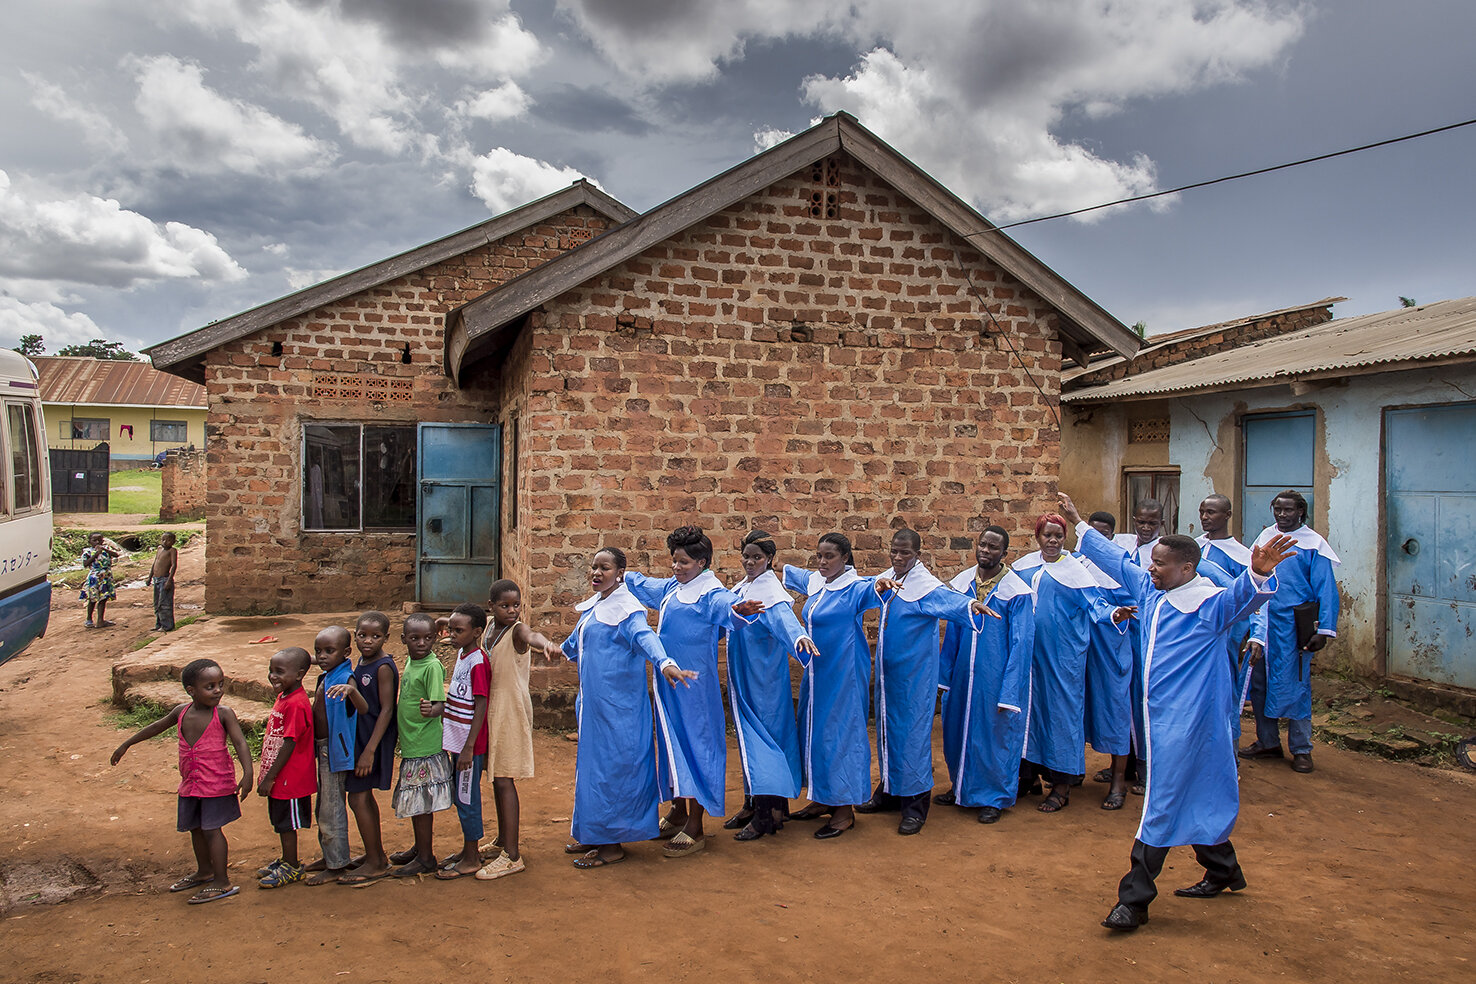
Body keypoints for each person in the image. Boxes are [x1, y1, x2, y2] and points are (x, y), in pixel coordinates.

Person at [1059, 491, 1295, 933]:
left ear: (1188, 568)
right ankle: (1224, 869)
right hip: (1159, 718)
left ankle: (1135, 899)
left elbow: (1242, 600)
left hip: (1189, 724)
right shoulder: (1152, 590)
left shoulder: (1209, 605)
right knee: (1199, 794)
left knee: (1161, 803)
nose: (1152, 567)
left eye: (1161, 563)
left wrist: (1258, 574)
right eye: (1153, 563)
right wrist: (1080, 524)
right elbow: (1117, 561)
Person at [549, 547, 696, 868]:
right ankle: (595, 832)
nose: (596, 573)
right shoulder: (595, 607)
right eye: (593, 567)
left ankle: (612, 845)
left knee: (614, 771)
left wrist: (666, 663)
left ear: (620, 573)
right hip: (594, 709)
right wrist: (547, 646)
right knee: (592, 771)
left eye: (604, 568)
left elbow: (647, 639)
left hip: (621, 711)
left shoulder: (628, 611)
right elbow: (573, 646)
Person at [625, 526, 762, 858]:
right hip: (668, 683)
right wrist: (622, 574)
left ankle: (696, 824)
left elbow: (730, 607)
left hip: (694, 689)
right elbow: (643, 584)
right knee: (671, 744)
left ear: (702, 562)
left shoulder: (710, 595)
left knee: (696, 746)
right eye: (674, 560)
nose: (676, 567)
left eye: (684, 562)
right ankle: (678, 811)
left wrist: (740, 610)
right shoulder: (674, 587)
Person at [861, 528, 984, 835]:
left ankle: (915, 805)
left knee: (912, 737)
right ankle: (889, 791)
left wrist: (971, 606)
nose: (899, 557)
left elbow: (950, 602)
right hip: (889, 677)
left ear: (918, 555)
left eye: (905, 553)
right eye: (894, 551)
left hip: (915, 678)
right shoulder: (887, 579)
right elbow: (858, 587)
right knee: (887, 733)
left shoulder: (925, 587)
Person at [111, 658, 253, 904]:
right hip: (191, 784)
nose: (218, 690)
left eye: (220, 684)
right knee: (196, 828)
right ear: (191, 690)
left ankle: (222, 881)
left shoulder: (224, 714)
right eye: (210, 686)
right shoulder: (181, 712)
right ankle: (205, 871)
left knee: (212, 829)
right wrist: (127, 743)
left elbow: (240, 742)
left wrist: (248, 773)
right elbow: (157, 726)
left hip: (216, 783)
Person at [1014, 513, 1119, 813]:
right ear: (1038, 537)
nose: (1053, 541)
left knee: (1062, 716)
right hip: (1030, 657)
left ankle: (1062, 784)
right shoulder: (1024, 567)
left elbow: (1096, 604)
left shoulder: (1076, 571)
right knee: (1029, 713)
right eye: (1047, 535)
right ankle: (1028, 775)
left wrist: (1113, 615)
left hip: (1063, 658)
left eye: (1059, 536)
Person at [782, 532, 881, 839]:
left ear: (846, 558)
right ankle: (821, 797)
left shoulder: (854, 589)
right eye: (819, 557)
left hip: (844, 674)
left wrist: (883, 583)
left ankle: (843, 810)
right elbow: (788, 573)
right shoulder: (818, 584)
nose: (823, 562)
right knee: (814, 732)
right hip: (817, 674)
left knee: (841, 735)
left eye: (830, 557)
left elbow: (875, 586)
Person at [936, 526, 1035, 824]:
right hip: (964, 676)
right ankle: (961, 786)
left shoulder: (1016, 592)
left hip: (995, 676)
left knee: (994, 736)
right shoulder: (963, 584)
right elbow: (952, 631)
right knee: (958, 731)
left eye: (993, 547)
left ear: (1004, 554)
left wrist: (1010, 689)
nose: (985, 551)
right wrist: (946, 676)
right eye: (982, 545)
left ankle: (994, 796)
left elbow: (1022, 643)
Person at [724, 530, 819, 841]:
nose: (750, 562)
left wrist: (800, 638)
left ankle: (767, 814)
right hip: (745, 676)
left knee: (765, 741)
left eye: (758, 557)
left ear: (770, 561)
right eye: (747, 556)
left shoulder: (770, 592)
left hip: (763, 680)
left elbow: (785, 623)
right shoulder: (744, 587)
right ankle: (756, 804)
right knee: (753, 740)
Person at [1243, 490, 1341, 774]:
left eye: (1289, 510)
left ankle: (1301, 749)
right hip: (1264, 622)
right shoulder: (1264, 539)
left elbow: (1325, 588)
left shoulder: (1313, 545)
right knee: (1259, 684)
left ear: (1301, 511)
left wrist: (1323, 630)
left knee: (1297, 685)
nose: (1283, 515)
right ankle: (1267, 742)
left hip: (1294, 625)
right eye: (1278, 509)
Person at [475, 579, 557, 880]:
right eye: (504, 606)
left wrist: (546, 644)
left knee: (504, 777)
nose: (512, 610)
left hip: (510, 710)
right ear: (491, 607)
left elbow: (532, 634)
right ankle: (501, 840)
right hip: (490, 710)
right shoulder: (487, 628)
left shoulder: (517, 630)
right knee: (496, 777)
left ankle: (512, 856)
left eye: (516, 605)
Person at [327, 611, 398, 884]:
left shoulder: (381, 667)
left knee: (358, 797)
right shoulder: (362, 660)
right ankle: (375, 856)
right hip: (361, 737)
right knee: (361, 796)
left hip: (372, 739)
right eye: (362, 635)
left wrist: (369, 750)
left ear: (386, 638)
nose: (368, 641)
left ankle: (375, 862)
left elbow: (387, 709)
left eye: (375, 636)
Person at [1195, 494, 1268, 742]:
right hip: (1193, 634)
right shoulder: (1193, 548)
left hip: (1225, 636)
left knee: (1224, 693)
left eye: (1212, 512)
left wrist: (1258, 635)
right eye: (1203, 511)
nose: (1205, 517)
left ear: (1227, 515)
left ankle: (1229, 751)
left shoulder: (1242, 555)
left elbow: (1255, 597)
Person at [1076, 515, 1137, 810]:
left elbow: (1134, 606)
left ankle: (1118, 781)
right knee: (1074, 706)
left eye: (1103, 536)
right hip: (1078, 647)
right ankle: (1070, 770)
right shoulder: (1074, 564)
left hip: (1113, 646)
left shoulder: (1122, 573)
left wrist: (1115, 614)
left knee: (1115, 708)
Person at [430, 604, 492, 880]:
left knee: (467, 799)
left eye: (458, 630)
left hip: (470, 745)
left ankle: (471, 856)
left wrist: (468, 748)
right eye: (450, 629)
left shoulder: (478, 662)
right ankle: (468, 850)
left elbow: (481, 703)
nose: (452, 634)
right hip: (458, 740)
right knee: (460, 795)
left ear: (477, 632)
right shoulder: (463, 653)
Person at [386, 613, 450, 878]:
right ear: (404, 640)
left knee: (421, 804)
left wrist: (431, 709)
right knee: (416, 803)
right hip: (413, 743)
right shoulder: (413, 662)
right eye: (415, 638)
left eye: (427, 638)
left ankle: (426, 858)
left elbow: (441, 705)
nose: (421, 643)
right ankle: (419, 848)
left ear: (435, 639)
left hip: (425, 746)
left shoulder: (431, 666)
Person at [255, 647, 317, 889]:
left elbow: (290, 742)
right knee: (280, 819)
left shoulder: (296, 703)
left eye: (279, 672)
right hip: (281, 776)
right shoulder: (284, 697)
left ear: (299, 674)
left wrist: (270, 777)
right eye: (271, 671)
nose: (273, 676)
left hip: (290, 778)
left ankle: (292, 866)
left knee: (287, 823)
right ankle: (285, 859)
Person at [305, 625, 355, 886]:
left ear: (346, 652)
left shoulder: (346, 677)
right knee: (323, 805)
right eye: (318, 651)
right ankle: (330, 856)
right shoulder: (329, 672)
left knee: (331, 808)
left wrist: (352, 692)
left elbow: (362, 706)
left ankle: (337, 864)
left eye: (329, 651)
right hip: (323, 748)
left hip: (335, 751)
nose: (322, 656)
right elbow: (306, 658)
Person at [80, 533, 119, 629]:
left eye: (99, 540)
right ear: (90, 541)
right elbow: (85, 564)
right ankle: (89, 619)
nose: (97, 542)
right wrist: (96, 554)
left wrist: (104, 549)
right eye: (94, 540)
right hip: (94, 577)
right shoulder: (88, 552)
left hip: (106, 577)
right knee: (92, 599)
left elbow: (116, 555)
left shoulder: (105, 550)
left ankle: (100, 620)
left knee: (103, 598)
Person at [1113, 499, 1164, 567]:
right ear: (1134, 521)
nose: (1146, 528)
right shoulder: (1121, 542)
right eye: (1141, 522)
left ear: (1162, 524)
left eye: (1152, 523)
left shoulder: (1165, 551)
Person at [146, 532, 178, 632]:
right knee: (157, 603)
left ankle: (167, 626)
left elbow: (173, 565)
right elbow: (155, 563)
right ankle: (159, 624)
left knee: (164, 603)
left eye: (168, 540)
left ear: (173, 541)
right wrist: (150, 577)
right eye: (163, 539)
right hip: (156, 580)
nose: (165, 542)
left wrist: (169, 580)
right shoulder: (159, 549)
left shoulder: (172, 551)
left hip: (164, 579)